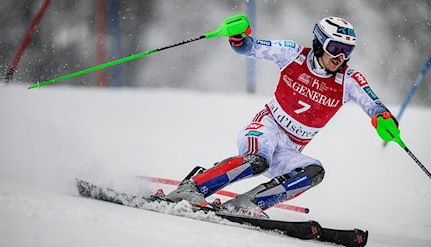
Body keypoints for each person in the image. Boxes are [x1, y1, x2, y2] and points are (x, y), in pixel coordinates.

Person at [165, 16, 399, 216]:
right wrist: (238, 38)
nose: (340, 56)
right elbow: (248, 47)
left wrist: (383, 118)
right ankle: (193, 188)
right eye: (335, 48)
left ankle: (247, 203)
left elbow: (374, 104)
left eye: (347, 51)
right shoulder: (292, 54)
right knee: (258, 160)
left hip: (290, 149)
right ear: (319, 44)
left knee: (314, 171)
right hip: (266, 128)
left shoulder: (348, 79)